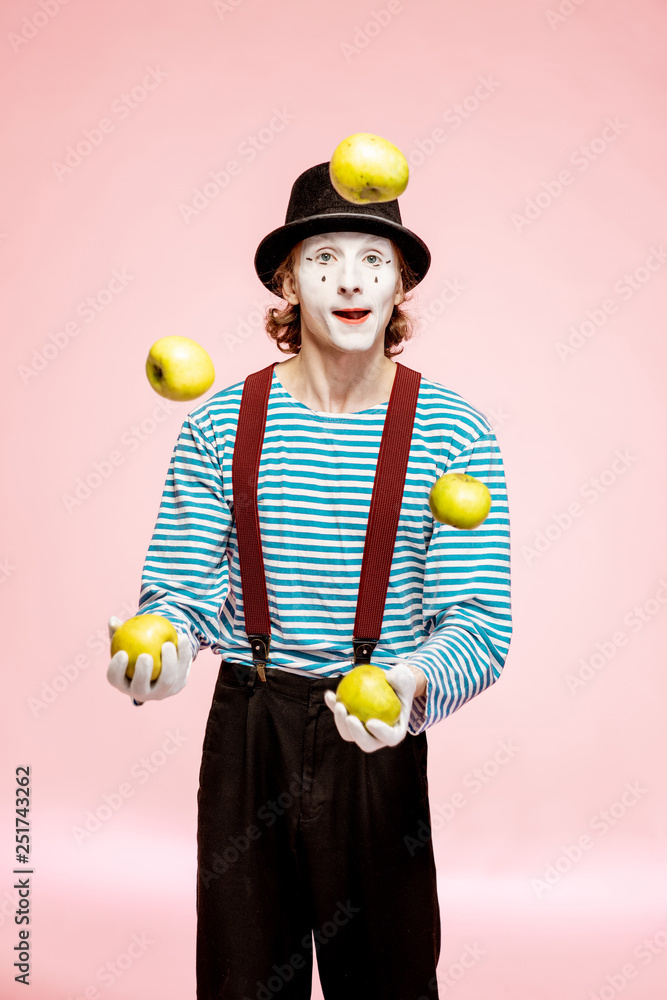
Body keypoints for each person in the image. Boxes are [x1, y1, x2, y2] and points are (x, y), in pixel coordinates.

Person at [106, 161, 512, 1000]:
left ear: (401, 284)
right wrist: (163, 651)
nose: (350, 279)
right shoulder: (220, 423)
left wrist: (411, 686)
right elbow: (176, 595)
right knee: (243, 979)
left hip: (378, 733)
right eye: (323, 258)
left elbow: (477, 622)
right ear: (288, 283)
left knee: (389, 979)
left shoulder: (452, 430)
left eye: (372, 259)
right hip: (249, 724)